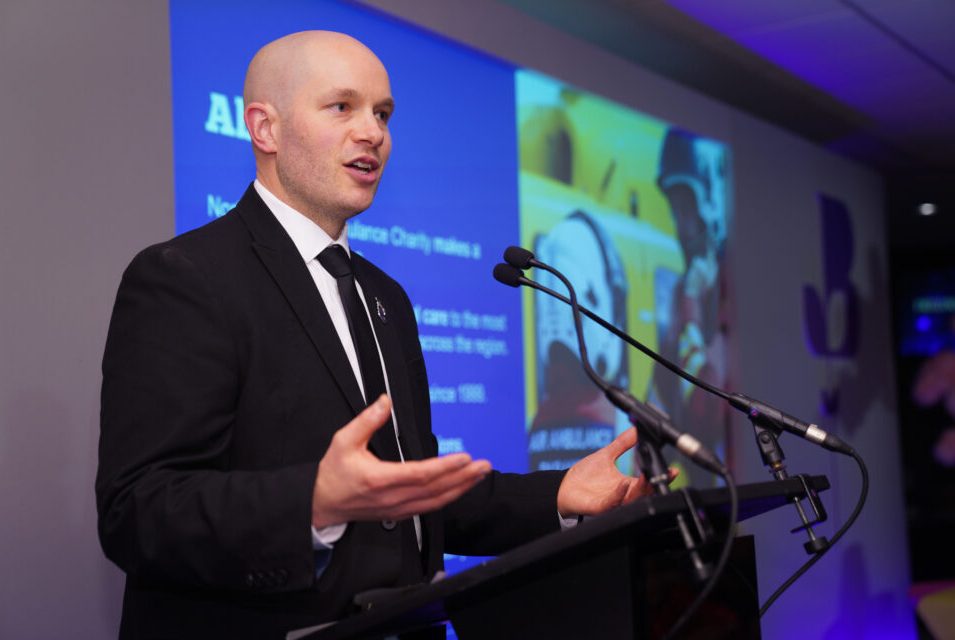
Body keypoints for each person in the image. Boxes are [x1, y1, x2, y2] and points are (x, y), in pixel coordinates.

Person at [96, 31, 654, 640]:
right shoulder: (185, 277)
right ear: (265, 130)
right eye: (343, 107)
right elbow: (138, 510)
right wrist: (311, 502)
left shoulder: (384, 296)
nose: (374, 133)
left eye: (383, 113)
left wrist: (559, 495)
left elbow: (411, 493)